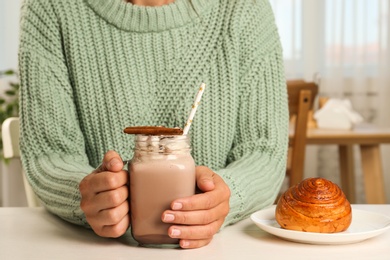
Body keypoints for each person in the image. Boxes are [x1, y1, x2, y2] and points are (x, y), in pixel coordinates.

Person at [18, 0, 288, 249]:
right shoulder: (51, 8)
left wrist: (227, 196)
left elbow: (264, 152)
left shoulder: (244, 8)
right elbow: (49, 154)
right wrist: (86, 193)